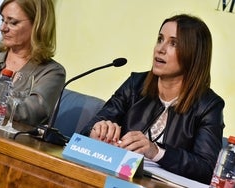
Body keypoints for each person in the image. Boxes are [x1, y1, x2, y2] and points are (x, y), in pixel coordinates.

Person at [81, 14, 225, 184]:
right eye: (160, 39)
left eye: (173, 43)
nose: (160, 49)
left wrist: (155, 151)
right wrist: (98, 131)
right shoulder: (135, 84)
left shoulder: (208, 106)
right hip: (117, 180)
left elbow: (206, 169)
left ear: (194, 55)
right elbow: (88, 128)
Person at [0, 0, 65, 126]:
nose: (2, 28)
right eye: (2, 20)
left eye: (13, 22)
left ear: (38, 24)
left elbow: (28, 114)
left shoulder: (52, 73)